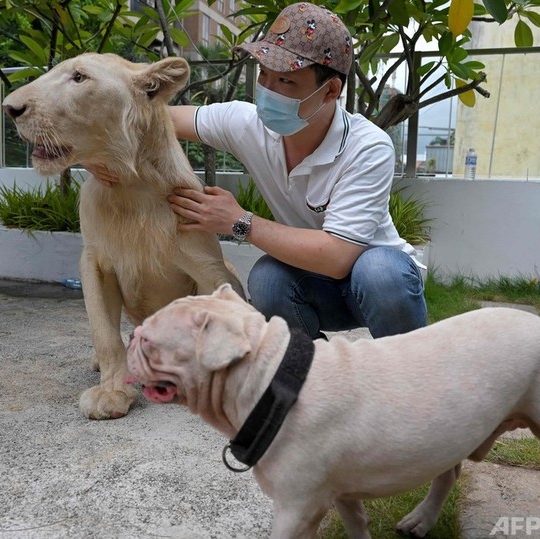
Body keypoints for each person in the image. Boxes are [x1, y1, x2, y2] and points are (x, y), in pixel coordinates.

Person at [136, 3, 427, 340]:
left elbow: (337, 257)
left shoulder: (367, 147)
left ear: (331, 90)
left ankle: (410, 369)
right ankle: (311, 368)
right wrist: (106, 157)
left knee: (380, 272)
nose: (267, 91)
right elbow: (156, 121)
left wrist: (239, 220)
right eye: (264, 74)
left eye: (286, 80)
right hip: (317, 284)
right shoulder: (248, 124)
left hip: (376, 282)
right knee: (267, 280)